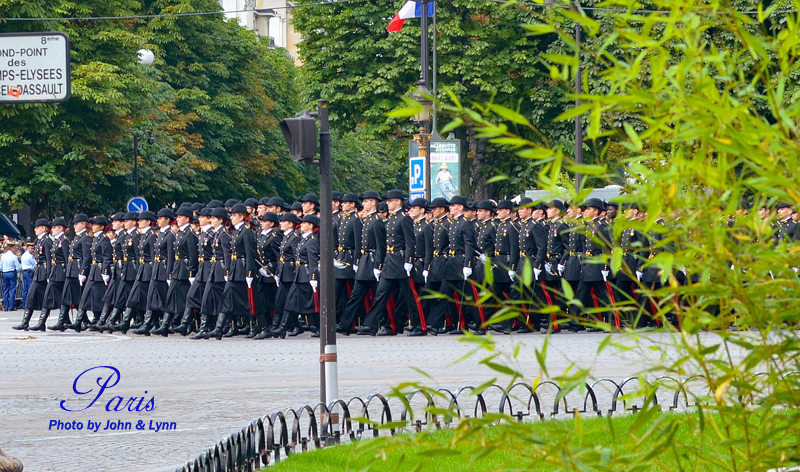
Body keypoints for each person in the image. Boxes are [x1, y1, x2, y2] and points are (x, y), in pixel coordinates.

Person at [358, 189, 417, 336]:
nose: (387, 203)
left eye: (390, 201)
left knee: (409, 296)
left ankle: (419, 325)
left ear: (398, 201)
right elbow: (384, 245)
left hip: (401, 260)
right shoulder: (390, 218)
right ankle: (371, 325)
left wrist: (408, 261)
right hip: (390, 261)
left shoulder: (404, 218)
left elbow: (410, 242)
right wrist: (379, 264)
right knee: (381, 294)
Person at [208, 203, 256, 339]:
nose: (232, 218)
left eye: (234, 215)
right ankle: (219, 328)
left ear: (242, 217)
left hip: (242, 271)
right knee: (227, 298)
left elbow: (249, 254)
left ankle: (255, 326)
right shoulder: (236, 232)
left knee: (246, 301)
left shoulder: (246, 232)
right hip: (235, 270)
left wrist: (249, 273)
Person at [49, 214, 91, 331]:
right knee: (68, 297)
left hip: (77, 270)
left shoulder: (85, 238)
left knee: (75, 297)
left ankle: (74, 322)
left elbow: (86, 257)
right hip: (71, 270)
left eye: (77, 224)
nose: (75, 226)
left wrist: (82, 272)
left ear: (83, 224)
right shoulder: (77, 238)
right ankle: (78, 321)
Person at [71, 216, 112, 332]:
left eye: (95, 225)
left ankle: (98, 320)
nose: (93, 227)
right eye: (92, 225)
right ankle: (80, 321)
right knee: (85, 297)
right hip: (94, 271)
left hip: (99, 271)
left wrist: (105, 271)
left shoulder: (104, 239)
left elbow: (106, 258)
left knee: (98, 298)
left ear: (102, 226)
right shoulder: (96, 239)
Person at [30, 217, 69, 331]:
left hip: (60, 273)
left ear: (60, 228)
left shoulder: (64, 240)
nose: (52, 229)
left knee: (56, 297)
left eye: (54, 227)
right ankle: (64, 322)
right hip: (55, 273)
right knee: (60, 298)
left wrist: (68, 274)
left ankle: (47, 322)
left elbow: (67, 259)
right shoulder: (57, 240)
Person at [141, 208, 176, 336]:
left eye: (161, 218)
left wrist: (169, 273)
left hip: (164, 270)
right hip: (156, 269)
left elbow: (171, 257)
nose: (159, 220)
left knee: (165, 298)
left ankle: (165, 324)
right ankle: (148, 324)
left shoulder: (171, 235)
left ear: (167, 220)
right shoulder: (161, 234)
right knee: (152, 297)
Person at [284, 214, 320, 337]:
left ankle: (316, 327)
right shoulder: (304, 239)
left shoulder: (312, 241)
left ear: (310, 226)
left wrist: (313, 277)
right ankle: (284, 327)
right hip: (299, 274)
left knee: (309, 304)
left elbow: (313, 260)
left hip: (306, 274)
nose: (301, 225)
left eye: (304, 223)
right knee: (292, 301)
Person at [13, 218, 50, 330]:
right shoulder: (39, 241)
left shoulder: (47, 241)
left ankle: (41, 322)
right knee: (31, 297)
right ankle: (26, 322)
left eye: (38, 227)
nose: (35, 229)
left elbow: (49, 259)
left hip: (44, 273)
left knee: (46, 298)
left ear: (43, 228)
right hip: (38, 272)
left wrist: (49, 274)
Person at [271, 212, 301, 338]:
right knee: (280, 301)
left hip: (290, 272)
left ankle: (286, 326)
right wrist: (278, 272)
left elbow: (296, 257)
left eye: (283, 222)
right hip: (283, 271)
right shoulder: (286, 236)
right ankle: (278, 326)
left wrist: (296, 273)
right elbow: (281, 256)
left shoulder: (294, 237)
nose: (281, 224)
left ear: (290, 224)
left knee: (290, 301)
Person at [1, 243, 20, 312]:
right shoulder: (13, 257)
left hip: (5, 273)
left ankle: (6, 306)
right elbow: (18, 267)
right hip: (12, 273)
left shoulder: (3, 256)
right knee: (12, 290)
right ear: (12, 248)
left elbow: (1, 266)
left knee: (5, 290)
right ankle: (11, 306)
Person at [20, 242, 35, 310]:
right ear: (28, 248)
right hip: (29, 272)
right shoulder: (29, 256)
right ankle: (29, 305)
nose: (33, 250)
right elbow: (35, 263)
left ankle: (24, 304)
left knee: (25, 289)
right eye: (32, 248)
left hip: (25, 272)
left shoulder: (23, 255)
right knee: (30, 289)